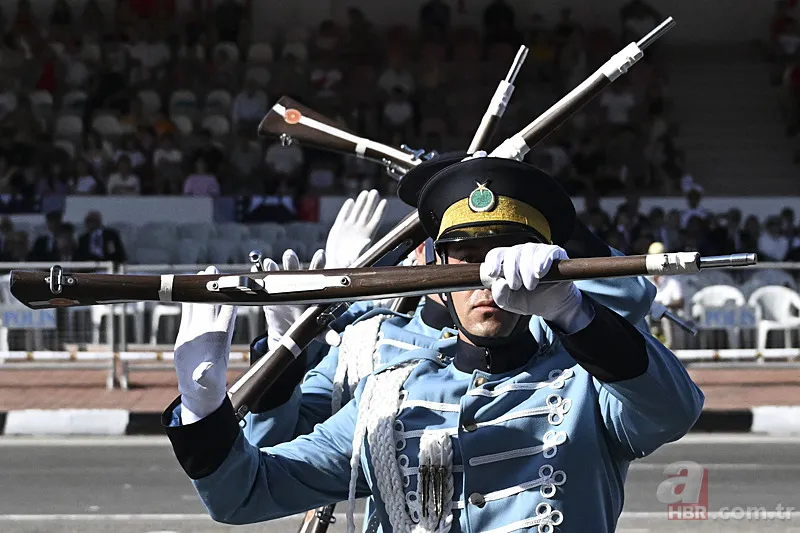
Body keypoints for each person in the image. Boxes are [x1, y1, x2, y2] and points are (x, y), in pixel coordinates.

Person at [162, 155, 702, 533]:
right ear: (435, 266)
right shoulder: (384, 397)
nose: (486, 278)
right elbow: (246, 492)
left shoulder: (584, 380)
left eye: (505, 254)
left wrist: (575, 313)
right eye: (465, 259)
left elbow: (672, 411)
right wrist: (204, 405)